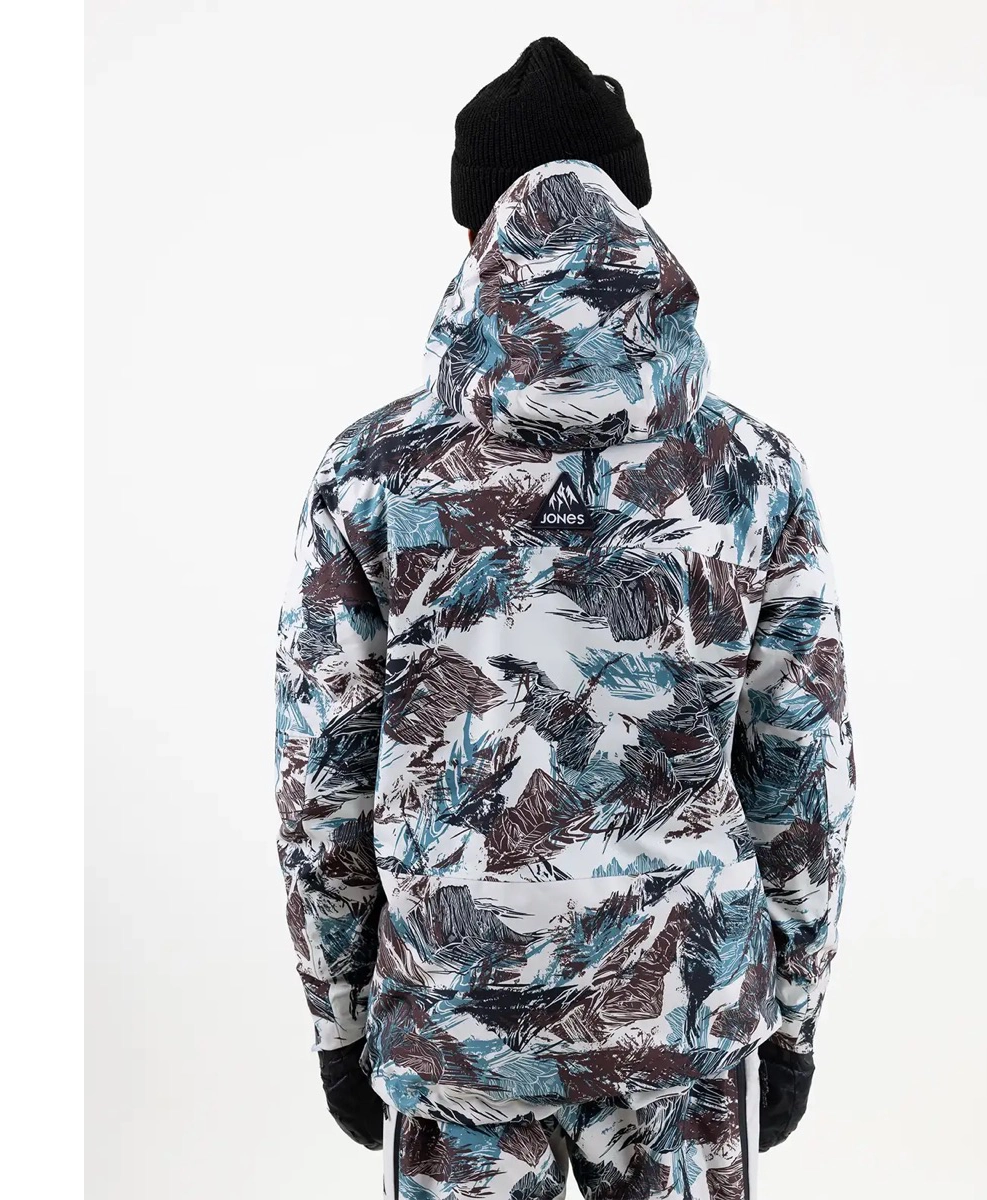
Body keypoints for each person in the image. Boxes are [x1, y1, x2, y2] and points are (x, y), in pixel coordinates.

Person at [274, 36, 854, 1200]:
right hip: (683, 1027)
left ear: (474, 231)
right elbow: (804, 772)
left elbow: (319, 778)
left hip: (459, 1036)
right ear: (636, 218)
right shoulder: (752, 472)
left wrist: (338, 1019)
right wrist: (792, 1014)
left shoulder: (371, 476)